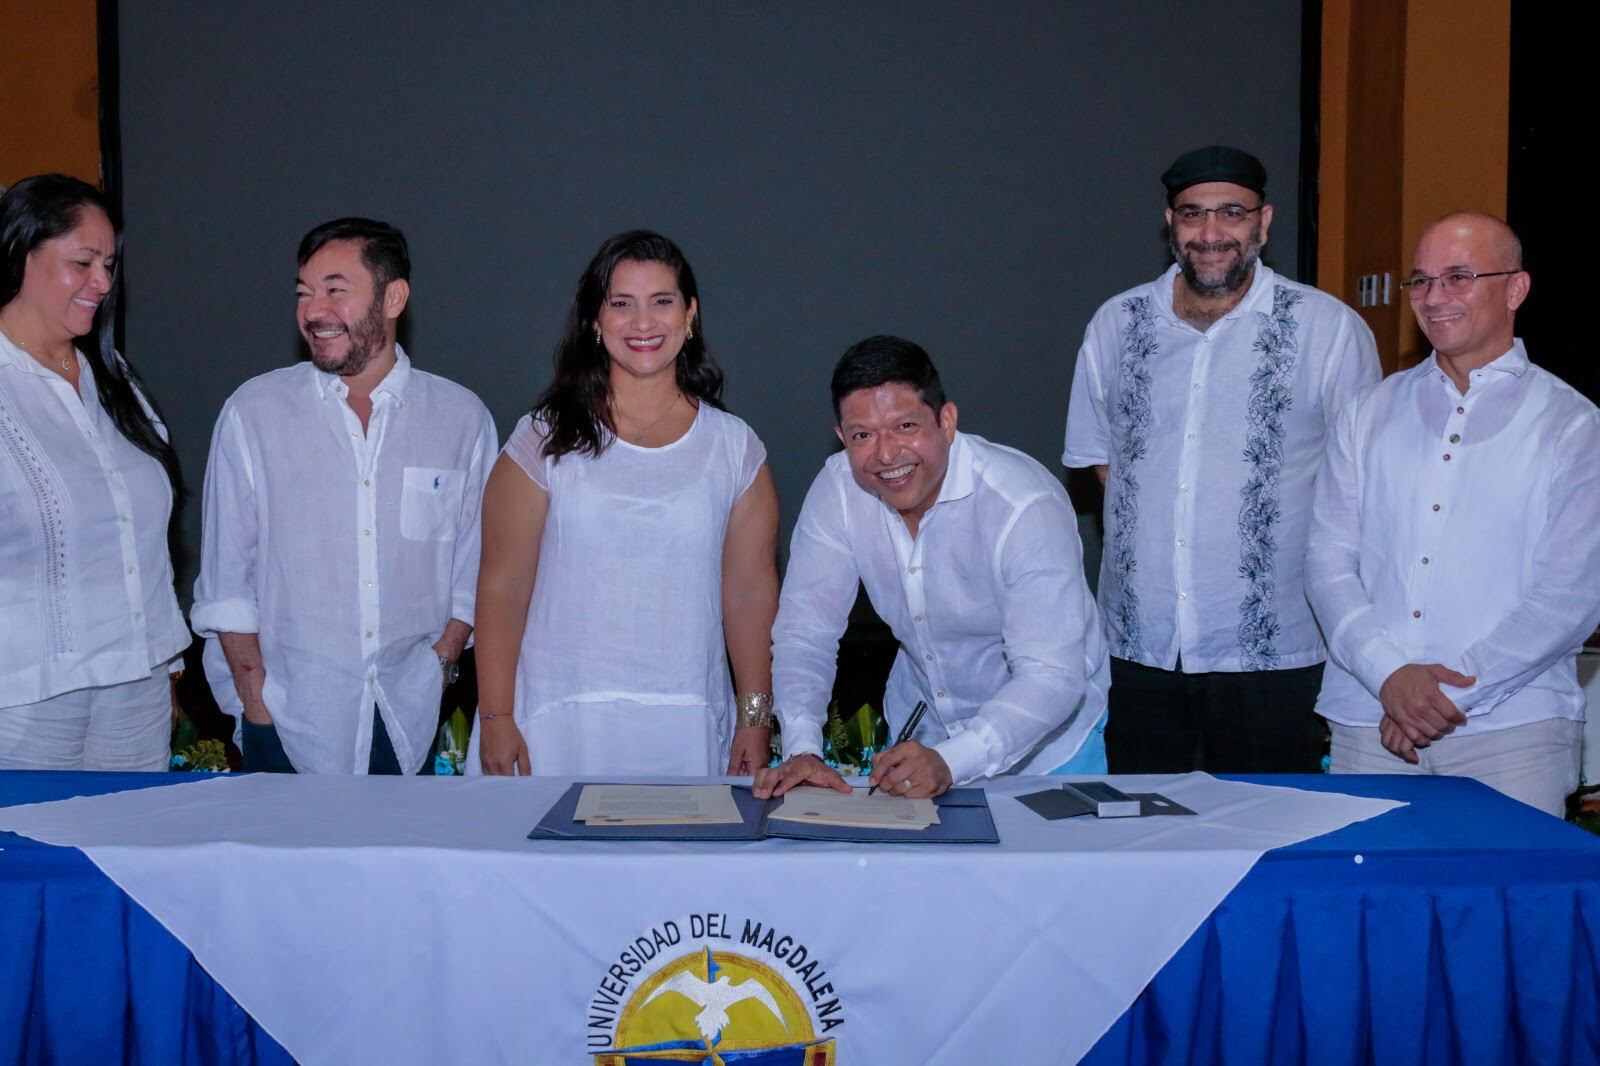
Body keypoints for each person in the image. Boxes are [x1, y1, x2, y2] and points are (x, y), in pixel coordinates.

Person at [1062, 145, 1380, 774]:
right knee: (1143, 841)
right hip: (1142, 649)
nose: (1210, 234)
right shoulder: (1116, 324)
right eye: (1192, 215)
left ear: (1264, 223)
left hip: (1272, 654)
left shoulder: (1327, 330)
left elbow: (1362, 484)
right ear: (1170, 223)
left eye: (1231, 214)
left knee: (1271, 836)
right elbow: (1104, 463)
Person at [1308, 213, 1600, 817]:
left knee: (1506, 910)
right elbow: (1328, 563)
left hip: (1512, 734)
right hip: (1370, 723)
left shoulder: (1571, 425)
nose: (1435, 297)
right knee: (1367, 910)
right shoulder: (1367, 413)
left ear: (1516, 289)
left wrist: (1431, 699)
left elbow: (1571, 596)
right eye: (1422, 280)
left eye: (1459, 277)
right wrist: (1390, 678)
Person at [191, 218, 496, 774]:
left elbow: (471, 570)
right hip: (285, 717)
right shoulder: (254, 412)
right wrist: (255, 700)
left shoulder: (460, 418)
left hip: (409, 715)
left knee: (404, 863)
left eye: (335, 290)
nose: (313, 310)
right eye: (304, 293)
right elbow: (225, 579)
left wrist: (442, 663)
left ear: (394, 296)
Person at [471, 230, 779, 777]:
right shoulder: (541, 438)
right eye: (621, 304)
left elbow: (750, 595)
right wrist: (496, 715)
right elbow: (502, 586)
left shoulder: (735, 448)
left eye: (662, 302)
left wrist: (755, 719)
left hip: (686, 722)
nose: (643, 323)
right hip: (555, 722)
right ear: (595, 320)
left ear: (690, 316)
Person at [755, 335, 1109, 800]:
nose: (885, 454)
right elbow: (805, 632)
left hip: (1048, 750)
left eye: (905, 426)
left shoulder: (1022, 505)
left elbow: (1051, 676)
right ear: (842, 437)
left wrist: (953, 759)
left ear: (947, 421)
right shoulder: (839, 490)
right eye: (862, 434)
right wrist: (803, 747)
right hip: (921, 740)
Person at [0, 174, 188, 770]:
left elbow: (149, 541)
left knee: (129, 861)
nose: (103, 283)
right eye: (83, 262)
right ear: (20, 254)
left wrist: (166, 663)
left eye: (108, 264)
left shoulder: (115, 381)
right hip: (28, 694)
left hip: (139, 685)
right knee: (31, 862)